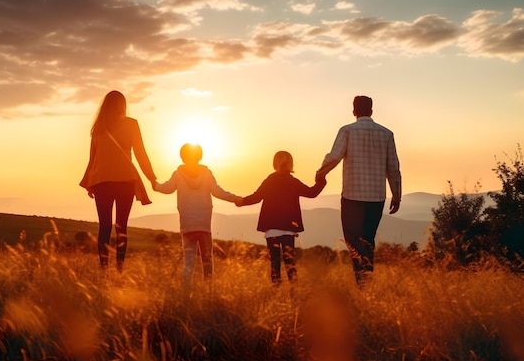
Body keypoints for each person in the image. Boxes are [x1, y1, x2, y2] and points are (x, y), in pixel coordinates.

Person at [315, 95, 402, 287]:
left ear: (354, 111)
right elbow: (393, 167)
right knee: (367, 240)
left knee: (352, 240)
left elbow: (334, 156)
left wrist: (321, 173)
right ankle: (365, 283)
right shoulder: (386, 134)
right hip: (377, 197)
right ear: (371, 111)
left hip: (352, 196)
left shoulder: (347, 131)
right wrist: (396, 194)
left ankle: (362, 277)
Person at [80, 90, 157, 271]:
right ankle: (120, 269)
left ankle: (103, 269)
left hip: (101, 182)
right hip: (125, 181)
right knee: (122, 226)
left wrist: (89, 182)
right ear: (123, 105)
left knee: (104, 226)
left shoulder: (98, 128)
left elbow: (93, 158)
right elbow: (140, 153)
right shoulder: (131, 124)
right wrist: (151, 177)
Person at [153, 143, 240, 290]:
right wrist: (236, 199)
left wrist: (155, 185)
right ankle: (208, 291)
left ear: (182, 156)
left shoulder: (178, 174)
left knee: (189, 261)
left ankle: (186, 292)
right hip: (204, 223)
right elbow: (218, 191)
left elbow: (167, 189)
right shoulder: (206, 173)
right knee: (207, 260)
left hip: (187, 224)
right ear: (200, 156)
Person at [236, 151, 327, 285]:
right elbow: (312, 193)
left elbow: (256, 197)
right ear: (290, 164)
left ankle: (276, 290)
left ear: (275, 163)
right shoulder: (293, 181)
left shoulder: (270, 180)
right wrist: (321, 179)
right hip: (288, 228)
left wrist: (241, 201)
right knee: (290, 262)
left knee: (275, 262)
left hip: (271, 228)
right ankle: (294, 291)